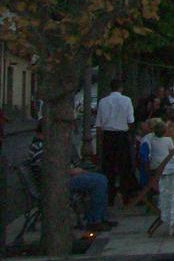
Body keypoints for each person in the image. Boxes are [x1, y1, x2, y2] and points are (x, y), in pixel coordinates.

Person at [29, 123, 117, 232]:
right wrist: (73, 171)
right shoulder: (39, 146)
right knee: (99, 181)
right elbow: (48, 169)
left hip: (63, 178)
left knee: (100, 178)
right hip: (57, 182)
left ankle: (100, 217)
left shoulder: (45, 144)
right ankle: (95, 220)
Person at [95, 78, 136, 206]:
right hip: (121, 135)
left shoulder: (103, 101)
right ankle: (126, 196)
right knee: (125, 167)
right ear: (121, 88)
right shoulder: (127, 100)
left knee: (108, 168)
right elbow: (130, 120)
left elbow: (99, 124)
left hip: (108, 135)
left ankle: (109, 197)